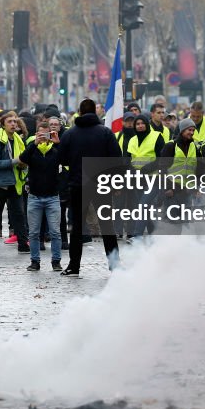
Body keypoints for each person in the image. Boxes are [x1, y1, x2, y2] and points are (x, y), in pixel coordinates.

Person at [58, 98, 123, 277]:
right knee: (107, 226)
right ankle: (114, 264)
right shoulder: (105, 133)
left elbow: (61, 160)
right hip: (101, 184)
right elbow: (116, 159)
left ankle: (73, 266)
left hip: (78, 184)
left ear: (79, 112)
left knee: (77, 227)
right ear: (95, 112)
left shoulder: (70, 134)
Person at [0, 110, 29, 255]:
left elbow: (23, 158)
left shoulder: (18, 140)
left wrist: (23, 164)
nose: (13, 124)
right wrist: (15, 161)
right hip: (1, 183)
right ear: (3, 125)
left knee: (19, 213)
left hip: (16, 182)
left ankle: (22, 243)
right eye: (10, 122)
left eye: (15, 121)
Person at [18, 120, 62, 271]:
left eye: (46, 134)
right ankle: (35, 261)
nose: (43, 137)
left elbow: (67, 160)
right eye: (40, 134)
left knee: (55, 232)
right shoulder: (33, 148)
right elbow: (22, 159)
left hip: (52, 197)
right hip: (35, 197)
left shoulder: (55, 150)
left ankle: (56, 261)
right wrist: (34, 144)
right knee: (34, 233)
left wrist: (57, 143)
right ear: (36, 134)